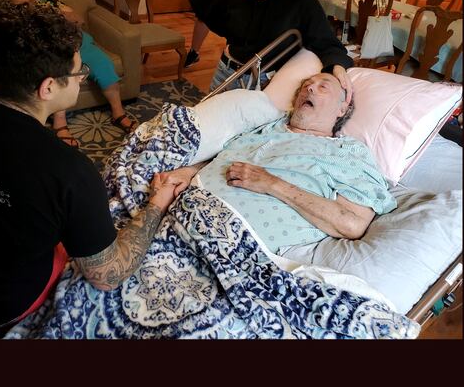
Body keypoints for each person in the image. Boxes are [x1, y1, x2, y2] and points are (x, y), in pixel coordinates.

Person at [0, 1, 179, 332]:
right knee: (68, 243)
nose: (82, 78)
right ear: (47, 87)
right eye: (78, 72)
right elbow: (108, 275)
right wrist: (157, 204)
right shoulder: (71, 171)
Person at [158, 73, 396, 254]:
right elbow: (221, 155)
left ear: (342, 109)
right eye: (306, 85)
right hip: (175, 207)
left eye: (323, 87)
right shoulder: (266, 124)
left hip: (228, 244)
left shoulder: (345, 152)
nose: (310, 88)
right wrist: (190, 171)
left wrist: (271, 184)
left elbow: (352, 224)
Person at [189, 0, 354, 102]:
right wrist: (231, 33)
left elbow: (327, 43)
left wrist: (337, 66)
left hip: (263, 82)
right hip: (226, 72)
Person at [0, 0, 136, 147]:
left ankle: (118, 113)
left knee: (104, 64)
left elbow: (78, 20)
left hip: (77, 42)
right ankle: (60, 123)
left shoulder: (46, 0)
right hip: (50, 48)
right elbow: (0, 34)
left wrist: (61, 17)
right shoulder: (3, 9)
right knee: (59, 74)